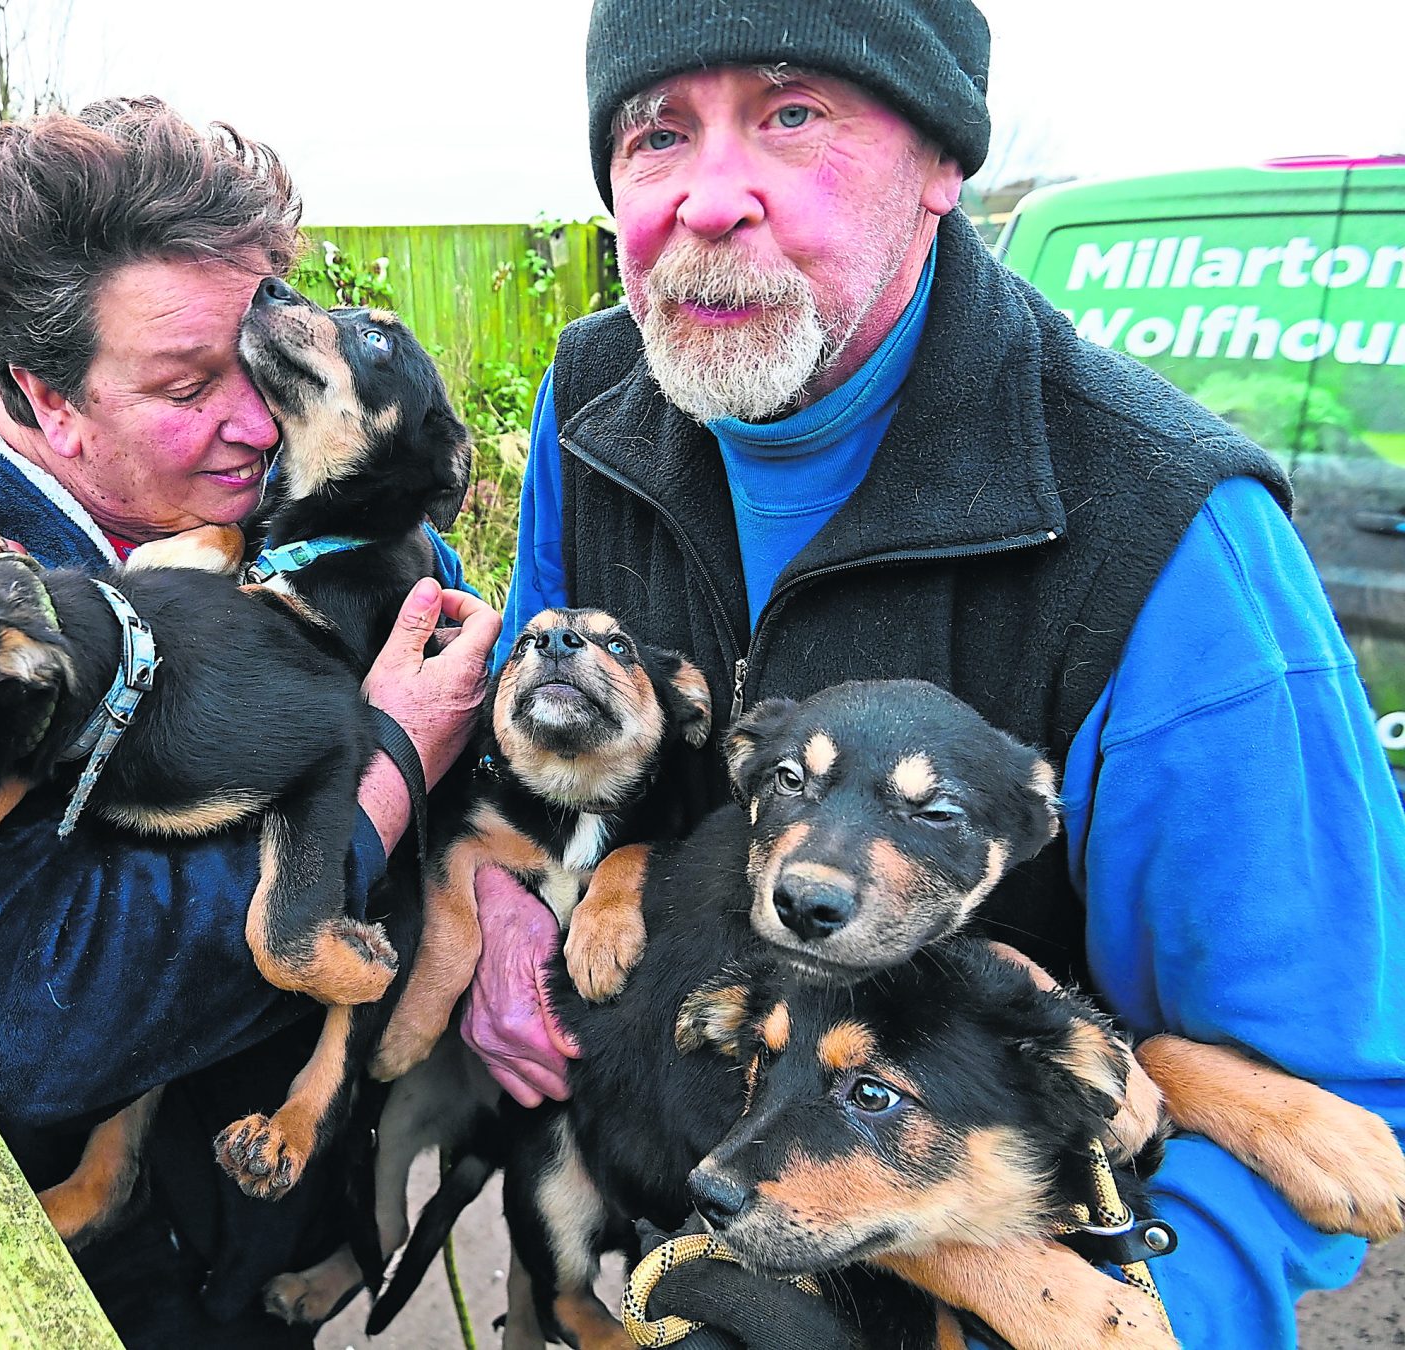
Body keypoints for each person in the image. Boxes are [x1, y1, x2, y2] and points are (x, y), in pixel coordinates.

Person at [458, 3, 1405, 1346]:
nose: (710, 197)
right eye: (657, 130)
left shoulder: (1168, 537)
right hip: (646, 1211)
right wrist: (506, 899)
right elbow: (532, 716)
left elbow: (1321, 1090)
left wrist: (1129, 1311)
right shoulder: (595, 397)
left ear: (944, 160)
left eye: (793, 114)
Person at [0, 96, 499, 1346]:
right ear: (47, 392)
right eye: (189, 386)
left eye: (258, 364)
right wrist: (388, 771)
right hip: (124, 1261)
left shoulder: (284, 501)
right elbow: (44, 1008)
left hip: (292, 1162)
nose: (254, 423)